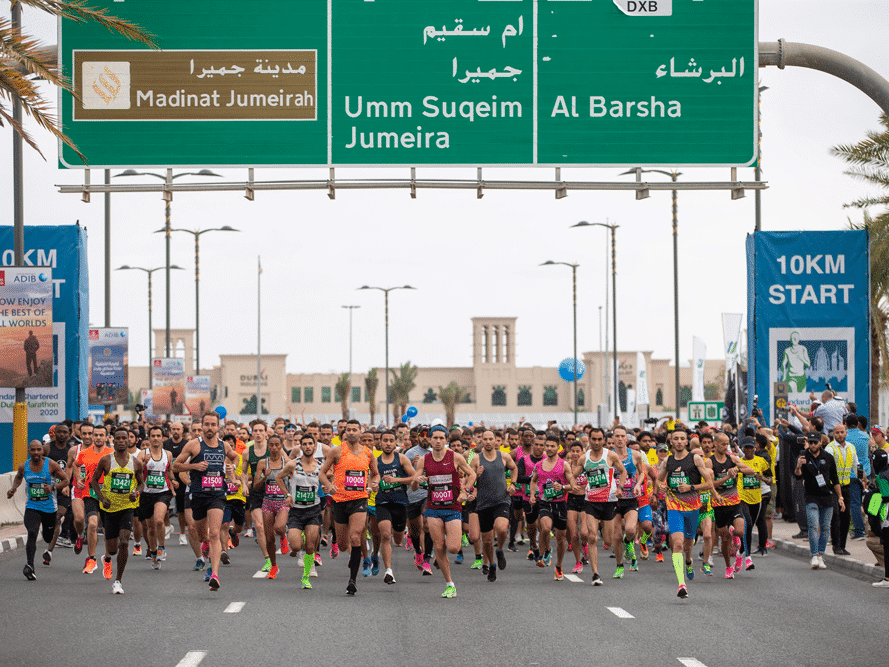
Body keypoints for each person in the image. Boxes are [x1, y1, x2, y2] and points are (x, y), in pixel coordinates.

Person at [172, 411, 238, 591]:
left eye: (213, 425)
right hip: (198, 495)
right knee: (202, 535)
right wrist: (194, 466)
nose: (209, 428)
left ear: (218, 427)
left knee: (215, 533)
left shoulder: (224, 446)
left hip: (217, 495)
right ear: (202, 426)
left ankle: (215, 574)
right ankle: (206, 544)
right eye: (206, 425)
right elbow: (176, 465)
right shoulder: (194, 445)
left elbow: (235, 457)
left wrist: (233, 469)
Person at [413, 424, 476, 598]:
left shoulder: (455, 457)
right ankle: (450, 584)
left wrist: (465, 491)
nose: (438, 441)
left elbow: (472, 474)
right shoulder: (424, 460)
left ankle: (443, 555)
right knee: (439, 546)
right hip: (433, 507)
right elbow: (413, 485)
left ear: (446, 440)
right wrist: (416, 480)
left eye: (442, 438)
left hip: (453, 506)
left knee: (454, 548)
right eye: (435, 438)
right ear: (430, 439)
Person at [319, 419, 380, 595]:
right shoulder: (337, 451)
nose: (352, 432)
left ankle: (352, 580)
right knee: (345, 545)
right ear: (345, 432)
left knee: (356, 537)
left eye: (355, 429)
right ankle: (339, 544)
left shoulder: (368, 453)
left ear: (361, 432)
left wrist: (374, 484)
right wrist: (329, 486)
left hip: (359, 500)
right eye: (349, 430)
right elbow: (322, 473)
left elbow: (375, 475)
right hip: (339, 501)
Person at [658, 428, 712, 598]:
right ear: (671, 442)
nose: (679, 441)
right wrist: (662, 486)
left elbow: (710, 483)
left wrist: (691, 487)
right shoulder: (667, 462)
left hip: (692, 507)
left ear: (687, 442)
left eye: (682, 438)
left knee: (689, 542)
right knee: (678, 543)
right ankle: (681, 585)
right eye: (676, 439)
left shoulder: (695, 459)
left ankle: (688, 561)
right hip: (674, 507)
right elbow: (659, 479)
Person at [91, 428, 144, 594]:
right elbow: (93, 481)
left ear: (129, 440)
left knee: (124, 542)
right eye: (118, 438)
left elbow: (141, 483)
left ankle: (118, 581)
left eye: (124, 438)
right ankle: (106, 558)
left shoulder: (136, 463)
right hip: (109, 509)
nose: (121, 441)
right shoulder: (106, 460)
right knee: (113, 549)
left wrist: (137, 493)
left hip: (127, 508)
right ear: (112, 440)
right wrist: (102, 498)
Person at [572, 427, 627, 586]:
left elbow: (622, 472)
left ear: (603, 440)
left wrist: (620, 488)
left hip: (609, 501)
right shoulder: (584, 458)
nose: (596, 442)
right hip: (591, 502)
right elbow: (574, 475)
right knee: (592, 537)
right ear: (588, 439)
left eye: (599, 439)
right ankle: (595, 574)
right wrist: (574, 485)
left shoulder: (610, 455)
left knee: (608, 541)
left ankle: (612, 546)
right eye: (593, 439)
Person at [8, 440, 67, 580]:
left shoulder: (51, 465)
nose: (36, 453)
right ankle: (30, 566)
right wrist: (13, 489)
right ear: (29, 451)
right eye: (33, 450)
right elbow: (18, 477)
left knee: (47, 537)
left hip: (49, 508)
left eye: (38, 450)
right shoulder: (24, 466)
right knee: (32, 532)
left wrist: (53, 487)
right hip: (32, 506)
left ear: (42, 451)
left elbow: (65, 480)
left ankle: (58, 522)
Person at [469, 430, 517, 582]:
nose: (488, 442)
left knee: (502, 528)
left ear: (497, 441)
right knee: (487, 541)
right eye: (486, 439)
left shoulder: (504, 456)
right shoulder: (476, 459)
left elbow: (514, 468)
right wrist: (476, 474)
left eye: (491, 439)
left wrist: (513, 484)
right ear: (481, 441)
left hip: (501, 500)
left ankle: (501, 550)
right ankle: (492, 565)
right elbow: (469, 480)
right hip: (483, 504)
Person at [278, 432, 324, 589]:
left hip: (313, 509)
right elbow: (279, 477)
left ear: (315, 445)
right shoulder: (293, 464)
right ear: (301, 447)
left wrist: (328, 486)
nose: (307, 447)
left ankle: (306, 576)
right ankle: (297, 546)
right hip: (296, 510)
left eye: (310, 444)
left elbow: (330, 477)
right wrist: (287, 494)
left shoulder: (320, 467)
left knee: (311, 546)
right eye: (304, 444)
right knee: (297, 546)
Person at [529, 432, 576, 581]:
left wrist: (562, 487)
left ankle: (559, 565)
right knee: (546, 528)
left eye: (552, 446)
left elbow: (573, 485)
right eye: (546, 446)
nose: (548, 448)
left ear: (558, 447)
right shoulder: (539, 464)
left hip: (560, 504)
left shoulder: (564, 464)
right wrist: (532, 495)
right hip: (544, 502)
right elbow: (534, 480)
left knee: (561, 538)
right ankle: (548, 549)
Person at [795, 431, 844, 569]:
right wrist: (798, 466)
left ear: (820, 442)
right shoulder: (803, 456)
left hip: (827, 496)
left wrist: (840, 497)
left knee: (826, 527)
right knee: (813, 525)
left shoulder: (828, 457)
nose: (812, 445)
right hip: (811, 496)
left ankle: (821, 555)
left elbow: (835, 479)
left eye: (815, 442)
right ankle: (814, 555)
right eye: (810, 442)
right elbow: (798, 476)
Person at [374, 429, 417, 584]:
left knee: (398, 537)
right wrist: (373, 485)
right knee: (385, 535)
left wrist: (395, 480)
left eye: (391, 440)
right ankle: (389, 571)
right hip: (382, 502)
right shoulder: (375, 460)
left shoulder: (402, 459)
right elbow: (370, 478)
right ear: (380, 442)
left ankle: (399, 536)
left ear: (395, 442)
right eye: (385, 440)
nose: (388, 443)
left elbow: (414, 478)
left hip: (400, 502)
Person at [73, 423, 111, 574]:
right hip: (91, 494)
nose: (99, 438)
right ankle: (92, 558)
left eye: (102, 435)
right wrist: (78, 478)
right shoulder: (84, 453)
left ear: (106, 437)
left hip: (108, 495)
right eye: (96, 435)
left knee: (108, 528)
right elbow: (76, 465)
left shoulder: (112, 453)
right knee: (93, 524)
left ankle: (107, 560)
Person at [138, 425, 177, 569]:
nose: (155, 438)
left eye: (158, 436)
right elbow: (135, 472)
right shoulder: (143, 454)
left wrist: (173, 480)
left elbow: (169, 471)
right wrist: (144, 464)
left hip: (163, 492)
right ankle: (154, 554)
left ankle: (161, 547)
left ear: (162, 438)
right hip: (146, 494)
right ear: (149, 437)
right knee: (151, 528)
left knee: (159, 520)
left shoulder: (168, 454)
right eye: (153, 436)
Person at [253, 434, 290, 580]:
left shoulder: (286, 462)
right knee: (269, 539)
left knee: (279, 527)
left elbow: (295, 479)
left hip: (282, 501)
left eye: (277, 445)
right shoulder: (263, 463)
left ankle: (283, 536)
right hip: (268, 502)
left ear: (281, 446)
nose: (274, 448)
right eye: (271, 445)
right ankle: (274, 566)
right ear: (268, 447)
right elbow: (255, 487)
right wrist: (264, 477)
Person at [825, 422, 865, 556]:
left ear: (846, 433)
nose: (840, 435)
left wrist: (862, 479)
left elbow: (856, 465)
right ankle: (836, 545)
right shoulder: (830, 449)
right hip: (833, 488)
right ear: (833, 434)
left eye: (842, 432)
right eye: (837, 432)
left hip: (847, 486)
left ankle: (842, 545)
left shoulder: (851, 447)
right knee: (835, 517)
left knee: (846, 517)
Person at [43, 423, 72, 564]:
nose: (61, 434)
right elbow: (35, 462)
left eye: (64, 432)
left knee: (57, 518)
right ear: (55, 433)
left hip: (64, 490)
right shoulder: (47, 448)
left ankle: (49, 551)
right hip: (48, 490)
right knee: (48, 522)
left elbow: (74, 468)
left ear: (68, 434)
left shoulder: (71, 450)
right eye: (59, 432)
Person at [840, 414, 870, 541]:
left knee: (854, 503)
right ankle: (871, 527)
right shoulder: (865, 436)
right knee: (868, 501)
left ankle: (858, 530)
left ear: (846, 424)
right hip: (865, 472)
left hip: (851, 472)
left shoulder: (846, 438)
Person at [163, 421, 189, 545]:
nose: (176, 431)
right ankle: (168, 525)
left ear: (182, 431)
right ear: (170, 431)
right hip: (167, 478)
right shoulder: (165, 444)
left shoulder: (186, 445)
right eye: (173, 429)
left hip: (181, 479)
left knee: (181, 509)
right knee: (163, 506)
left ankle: (183, 534)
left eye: (178, 429)